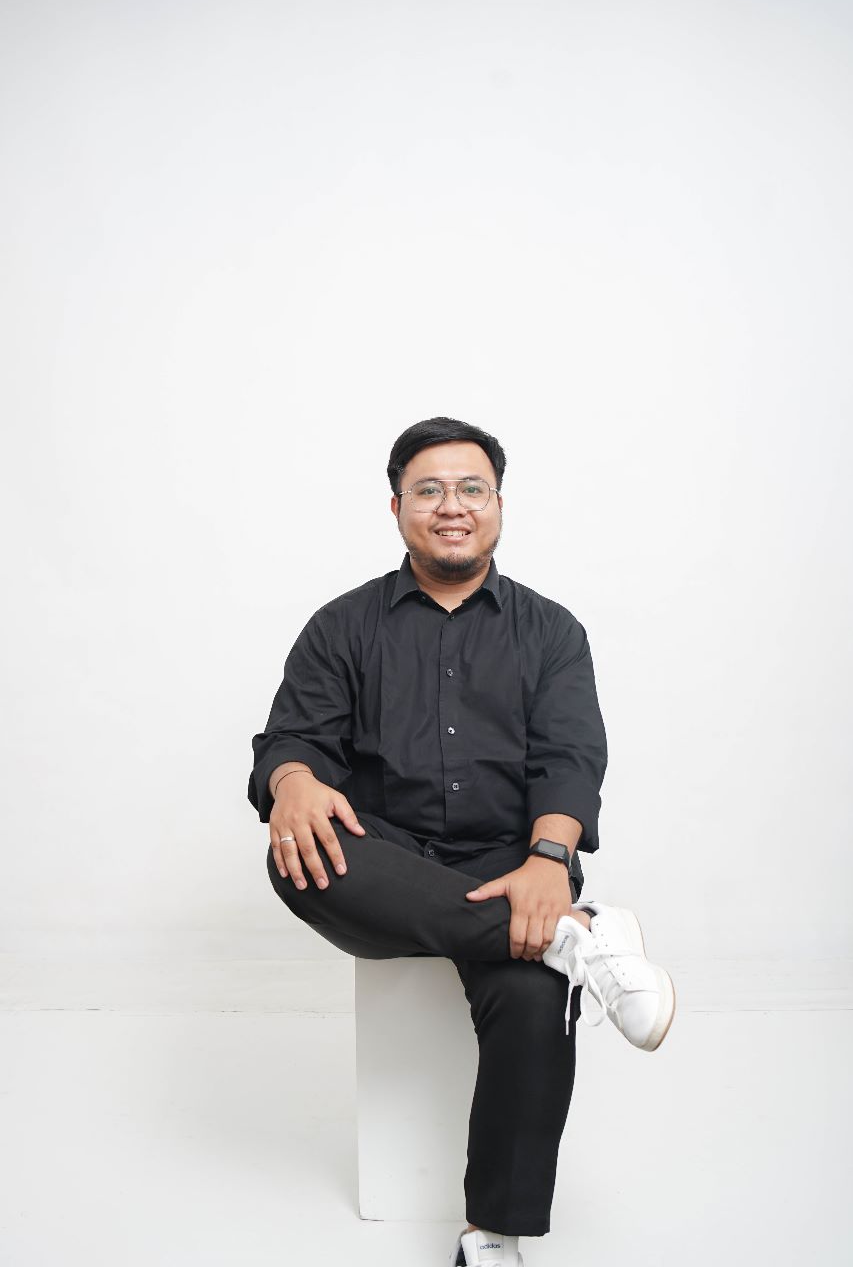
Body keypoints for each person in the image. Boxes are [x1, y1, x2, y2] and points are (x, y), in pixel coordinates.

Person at [247, 417, 675, 1267]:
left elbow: (569, 759)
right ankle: (577, 937)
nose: (452, 506)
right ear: (397, 507)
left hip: (513, 860)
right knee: (298, 856)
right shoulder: (341, 625)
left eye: (471, 488)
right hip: (384, 860)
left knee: (531, 998)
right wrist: (292, 780)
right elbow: (293, 739)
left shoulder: (550, 631)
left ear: (498, 505)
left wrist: (548, 861)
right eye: (429, 490)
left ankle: (492, 1232)